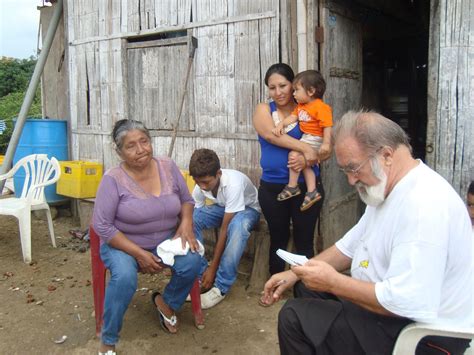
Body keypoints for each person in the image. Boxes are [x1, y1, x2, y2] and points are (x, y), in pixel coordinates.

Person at [262, 110, 473, 354]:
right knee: (307, 287)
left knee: (293, 317)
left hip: (423, 336)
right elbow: (349, 246)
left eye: (354, 168)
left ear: (386, 155)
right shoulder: (390, 190)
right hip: (394, 317)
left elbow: (406, 302)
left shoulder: (423, 204)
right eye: (345, 171)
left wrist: (333, 282)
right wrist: (296, 275)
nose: (351, 181)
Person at [92, 119, 201, 354]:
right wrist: (139, 253)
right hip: (122, 244)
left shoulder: (167, 166)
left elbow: (187, 200)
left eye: (144, 141)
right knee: (124, 277)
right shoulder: (113, 179)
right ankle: (108, 340)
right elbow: (101, 225)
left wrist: (186, 223)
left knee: (193, 261)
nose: (141, 150)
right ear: (119, 151)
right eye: (131, 146)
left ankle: (166, 303)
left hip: (164, 241)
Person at [252, 63, 330, 280]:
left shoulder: (309, 109)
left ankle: (305, 288)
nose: (278, 92)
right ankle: (275, 283)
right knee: (278, 237)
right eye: (272, 87)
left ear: (293, 84)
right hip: (273, 188)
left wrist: (309, 156)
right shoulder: (264, 110)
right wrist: (304, 148)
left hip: (306, 188)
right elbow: (270, 135)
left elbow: (325, 149)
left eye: (283, 86)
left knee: (305, 240)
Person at [190, 148, 260, 309]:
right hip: (224, 208)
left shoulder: (233, 184)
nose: (202, 186)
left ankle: (221, 286)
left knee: (237, 227)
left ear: (218, 174)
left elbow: (224, 228)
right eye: (197, 182)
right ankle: (200, 275)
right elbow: (197, 213)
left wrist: (213, 267)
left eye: (206, 182)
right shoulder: (201, 186)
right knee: (192, 219)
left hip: (248, 210)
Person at [272, 70, 333, 211]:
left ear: (311, 91)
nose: (293, 94)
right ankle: (311, 191)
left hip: (316, 138)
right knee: (304, 164)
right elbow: (292, 118)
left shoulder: (321, 107)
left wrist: (326, 143)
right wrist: (281, 124)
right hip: (307, 138)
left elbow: (327, 126)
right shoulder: (301, 107)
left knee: (294, 155)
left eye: (296, 90)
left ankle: (293, 186)